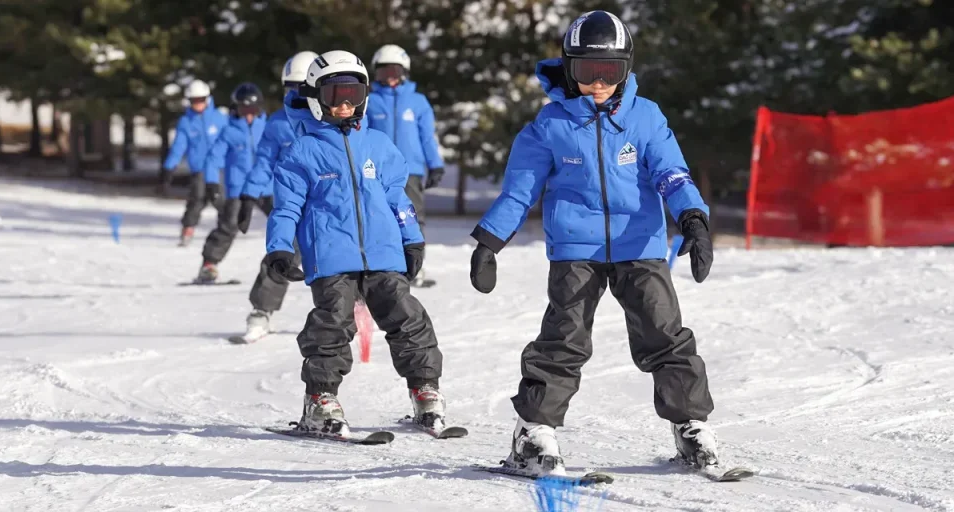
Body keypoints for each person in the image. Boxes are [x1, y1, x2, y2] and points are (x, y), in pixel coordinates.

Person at [468, 10, 717, 476]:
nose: (598, 84)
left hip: (640, 245)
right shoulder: (549, 125)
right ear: (568, 68)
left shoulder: (646, 117)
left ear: (625, 69)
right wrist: (489, 241)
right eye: (586, 72)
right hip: (575, 251)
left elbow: (671, 173)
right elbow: (519, 190)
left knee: (665, 335)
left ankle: (690, 426)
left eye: (609, 72)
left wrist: (692, 217)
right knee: (564, 339)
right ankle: (533, 433)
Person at [265, 50, 445, 437]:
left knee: (408, 318)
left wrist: (412, 240)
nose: (345, 104)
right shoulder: (302, 152)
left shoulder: (379, 145)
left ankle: (424, 389)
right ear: (316, 98)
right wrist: (278, 248)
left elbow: (399, 199)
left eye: (353, 94)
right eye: (335, 96)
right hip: (331, 259)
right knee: (331, 325)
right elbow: (285, 208)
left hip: (383, 254)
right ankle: (321, 399)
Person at [233, 50, 319, 342]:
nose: (297, 93)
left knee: (343, 261)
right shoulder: (278, 122)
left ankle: (354, 310)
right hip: (293, 205)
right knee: (280, 254)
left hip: (330, 204)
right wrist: (248, 195)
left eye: (303, 87)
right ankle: (261, 310)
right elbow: (264, 162)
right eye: (291, 87)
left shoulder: (333, 118)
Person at [365, 44, 445, 287]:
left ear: (404, 72)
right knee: (376, 218)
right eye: (383, 72)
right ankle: (378, 268)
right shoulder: (370, 100)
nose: (389, 77)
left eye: (394, 71)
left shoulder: (418, 102)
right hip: (376, 172)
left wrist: (436, 164)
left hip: (411, 172)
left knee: (411, 218)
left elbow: (427, 137)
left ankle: (415, 268)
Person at [194, 83, 268, 284]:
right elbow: (213, 158)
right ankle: (209, 264)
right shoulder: (229, 131)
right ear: (235, 109)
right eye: (244, 110)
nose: (249, 115)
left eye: (253, 110)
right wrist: (211, 183)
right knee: (228, 226)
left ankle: (306, 260)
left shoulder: (269, 128)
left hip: (267, 186)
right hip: (239, 188)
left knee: (289, 221)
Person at [161, 79, 229, 247]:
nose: (197, 104)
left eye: (200, 100)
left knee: (222, 201)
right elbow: (179, 146)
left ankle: (227, 230)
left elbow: (233, 140)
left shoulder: (220, 118)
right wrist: (169, 167)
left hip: (219, 168)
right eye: (193, 100)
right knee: (196, 200)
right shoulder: (186, 122)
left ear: (207, 98)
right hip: (199, 169)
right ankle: (187, 229)